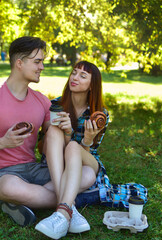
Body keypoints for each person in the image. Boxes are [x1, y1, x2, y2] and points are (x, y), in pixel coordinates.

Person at [0, 37, 95, 228]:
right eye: (37, 61)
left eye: (42, 62)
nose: (42, 67)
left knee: (88, 174)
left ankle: (43, 205)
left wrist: (66, 132)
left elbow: (52, 145)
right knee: (11, 188)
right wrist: (3, 142)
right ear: (19, 63)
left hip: (33, 169)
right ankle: (68, 201)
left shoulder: (42, 101)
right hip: (0, 174)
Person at [35, 61, 109, 239]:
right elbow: (42, 147)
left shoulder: (99, 115)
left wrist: (88, 139)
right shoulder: (55, 106)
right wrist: (66, 133)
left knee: (77, 148)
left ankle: (58, 211)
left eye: (82, 76)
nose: (74, 78)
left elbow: (84, 152)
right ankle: (68, 209)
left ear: (92, 86)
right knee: (87, 176)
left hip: (88, 158)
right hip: (59, 162)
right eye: (74, 73)